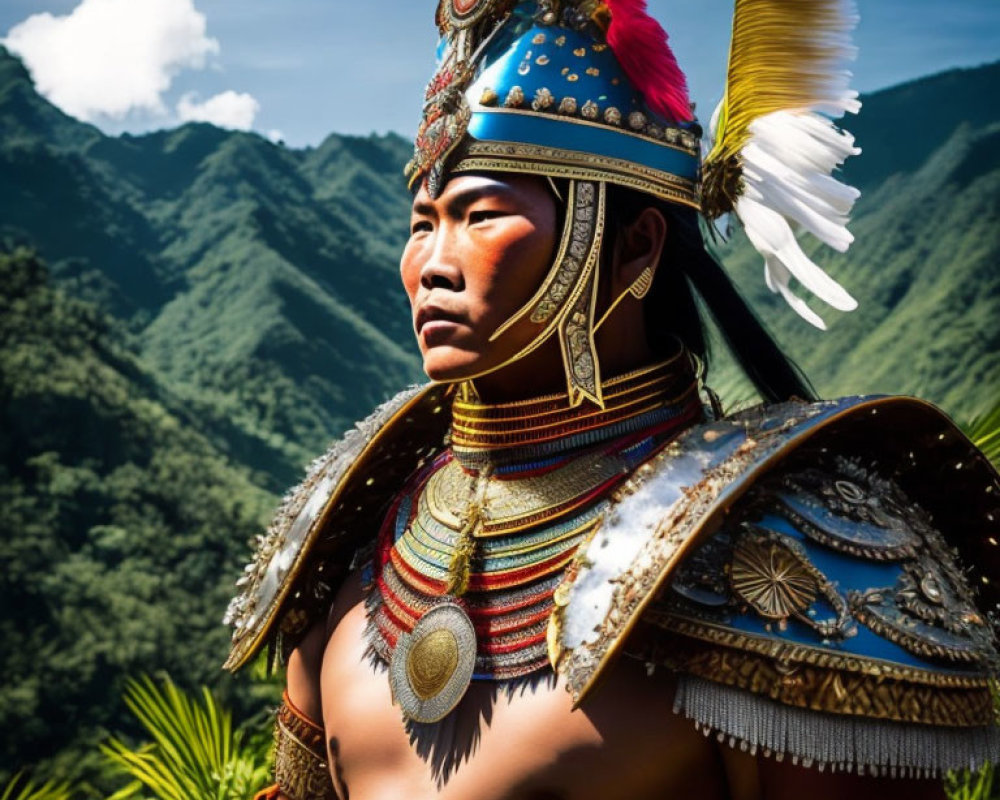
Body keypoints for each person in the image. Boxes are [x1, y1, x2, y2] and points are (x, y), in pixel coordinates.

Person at [224, 2, 1000, 798]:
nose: (433, 264)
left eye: (481, 215)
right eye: (424, 223)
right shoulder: (359, 525)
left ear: (634, 246)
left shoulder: (782, 555)